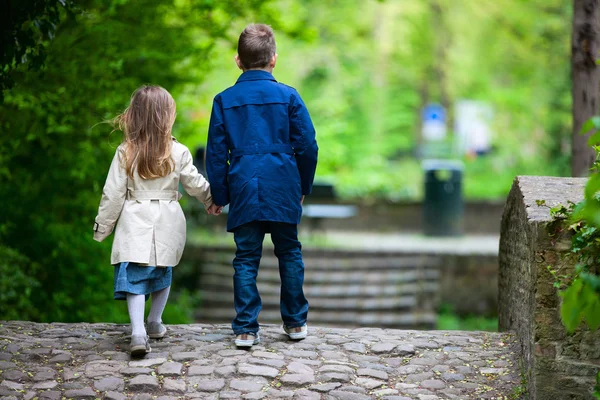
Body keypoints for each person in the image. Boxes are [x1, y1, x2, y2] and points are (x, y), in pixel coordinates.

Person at [206, 23, 318, 348]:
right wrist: (302, 186)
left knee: (245, 258)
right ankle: (295, 323)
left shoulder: (224, 100)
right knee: (289, 252)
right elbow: (308, 146)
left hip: (243, 186)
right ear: (274, 60)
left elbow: (215, 155)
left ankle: (245, 329)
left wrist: (220, 194)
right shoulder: (289, 96)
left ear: (238, 61)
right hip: (283, 185)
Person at [93, 85, 220, 357]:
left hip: (134, 219)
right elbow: (195, 182)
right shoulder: (178, 151)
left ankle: (138, 331)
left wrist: (103, 226)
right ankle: (154, 322)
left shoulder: (125, 152)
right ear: (167, 117)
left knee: (136, 278)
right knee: (163, 270)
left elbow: (113, 193)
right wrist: (211, 199)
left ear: (134, 115)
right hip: (168, 219)